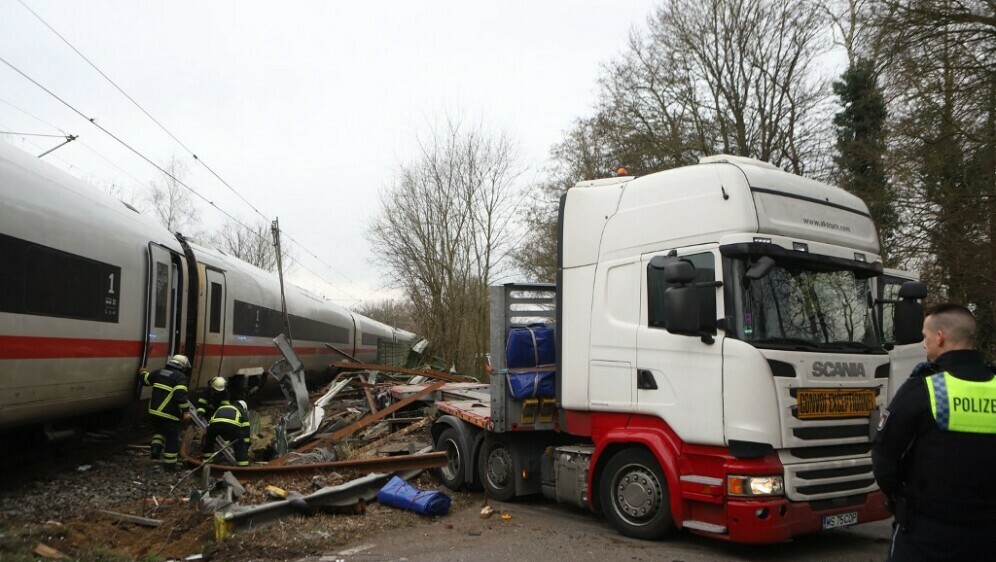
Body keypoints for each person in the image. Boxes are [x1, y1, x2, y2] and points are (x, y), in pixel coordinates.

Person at [872, 303, 996, 561]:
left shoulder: (925, 389)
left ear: (940, 337)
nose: (925, 344)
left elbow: (884, 458)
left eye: (925, 337)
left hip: (927, 535)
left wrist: (901, 499)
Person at [139, 354, 191, 472]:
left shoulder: (159, 372)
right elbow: (180, 396)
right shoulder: (180, 377)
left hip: (154, 412)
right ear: (182, 366)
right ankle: (170, 465)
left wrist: (142, 372)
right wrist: (186, 411)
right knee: (171, 438)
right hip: (170, 414)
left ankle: (155, 451)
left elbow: (145, 380)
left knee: (159, 432)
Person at [202, 399, 251, 467]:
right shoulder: (241, 410)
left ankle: (206, 461)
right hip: (231, 426)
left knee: (209, 441)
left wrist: (207, 431)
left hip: (214, 426)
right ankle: (243, 464)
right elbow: (246, 428)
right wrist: (246, 442)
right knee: (240, 444)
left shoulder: (222, 407)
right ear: (244, 408)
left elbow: (211, 420)